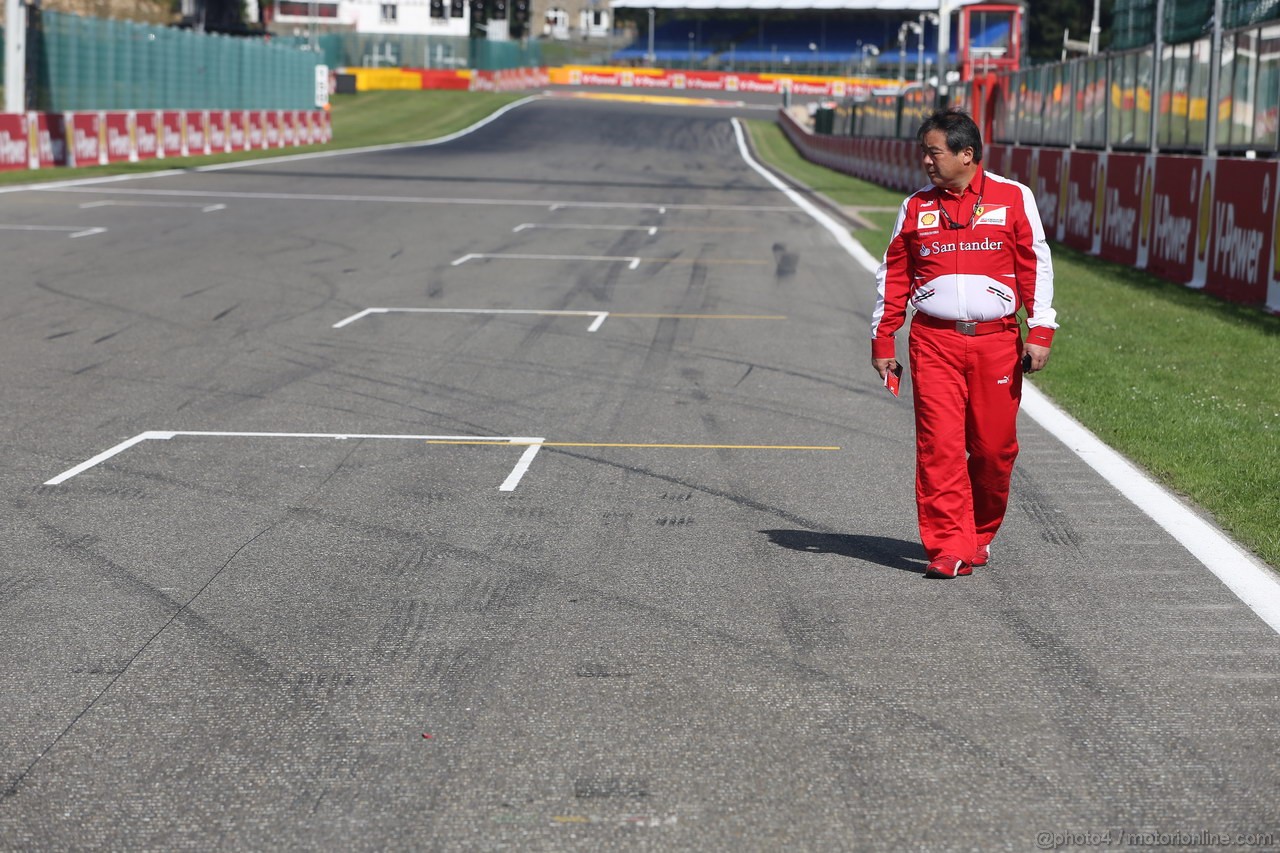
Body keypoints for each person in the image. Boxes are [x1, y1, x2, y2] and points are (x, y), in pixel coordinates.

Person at [871, 108, 1057, 579]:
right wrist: (883, 340)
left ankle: (977, 534)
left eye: (933, 153)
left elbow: (1036, 265)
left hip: (997, 343)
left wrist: (1040, 330)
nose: (926, 162)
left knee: (994, 451)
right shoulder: (915, 206)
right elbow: (893, 275)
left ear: (966, 154)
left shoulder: (1015, 198)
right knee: (940, 448)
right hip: (933, 341)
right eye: (924, 154)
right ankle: (948, 546)